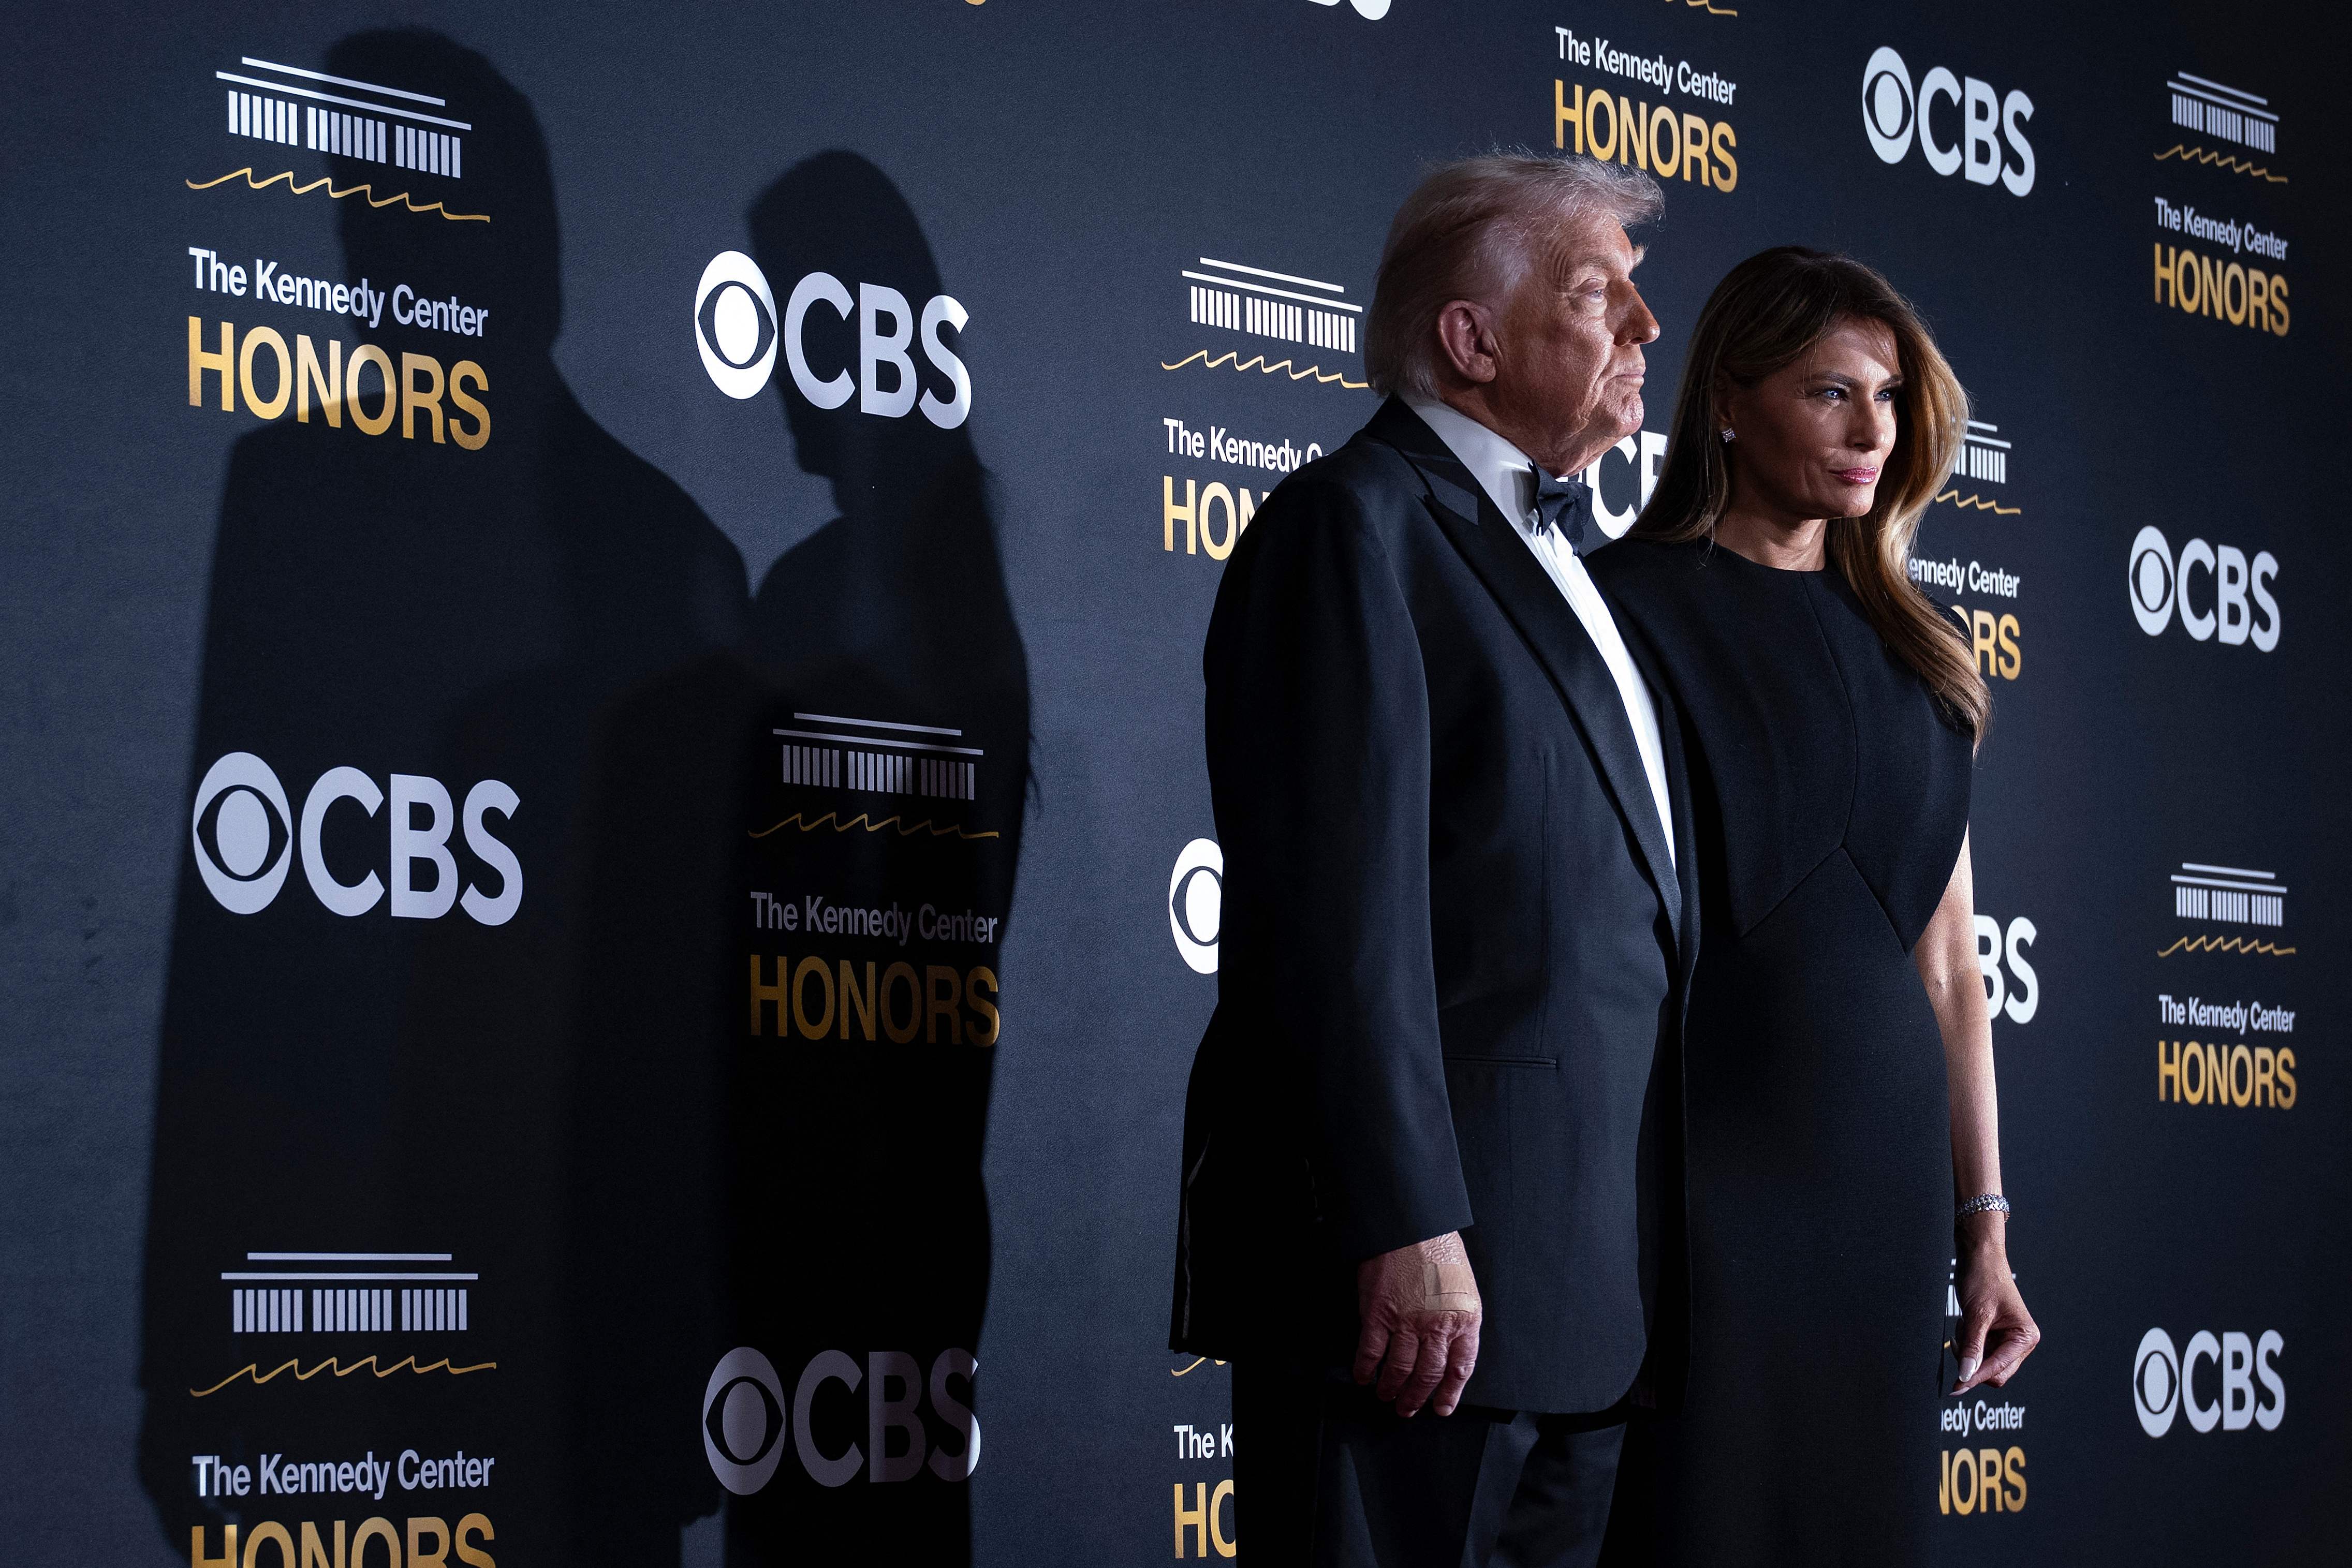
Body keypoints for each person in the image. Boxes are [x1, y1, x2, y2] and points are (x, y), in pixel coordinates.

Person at [1169, 154, 1693, 1567]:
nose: (1649, 327)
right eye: (1601, 295)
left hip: (1585, 1295)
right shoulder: (1357, 525)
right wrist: (1404, 1220)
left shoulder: (1575, 562)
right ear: (1470, 340)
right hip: (1420, 1300)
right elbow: (1339, 916)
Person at [1587, 247, 2041, 1565]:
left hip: (1879, 1188)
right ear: (1727, 399)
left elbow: (1953, 974)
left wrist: (1984, 1224)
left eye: (1888, 398)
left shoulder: (1916, 645)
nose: (1870, 432)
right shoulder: (1624, 612)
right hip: (1698, 1171)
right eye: (1829, 392)